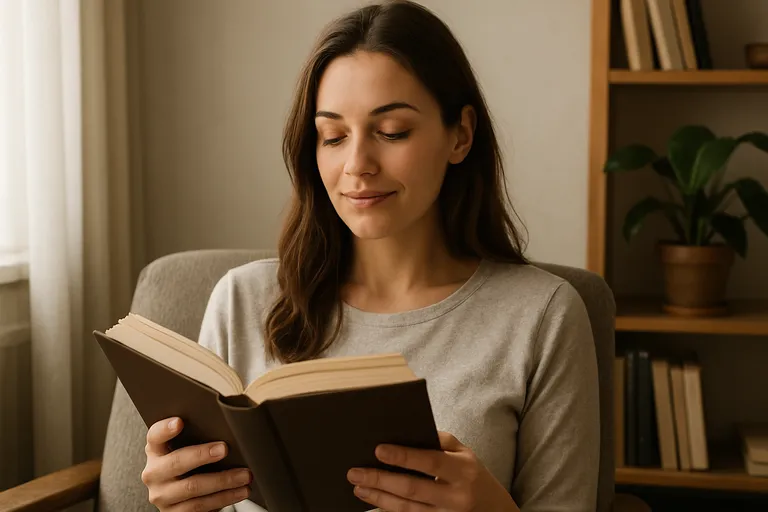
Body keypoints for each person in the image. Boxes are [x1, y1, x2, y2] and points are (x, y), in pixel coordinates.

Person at [139, 1, 600, 511]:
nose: (357, 164)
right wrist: (179, 497)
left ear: (461, 135)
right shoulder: (241, 301)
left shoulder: (542, 317)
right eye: (332, 137)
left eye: (392, 132)